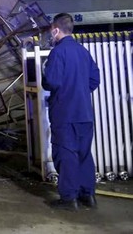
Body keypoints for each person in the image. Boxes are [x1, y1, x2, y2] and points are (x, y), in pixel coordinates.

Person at [42, 13, 100, 211]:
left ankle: (69, 199)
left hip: (64, 114)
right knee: (84, 154)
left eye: (52, 30)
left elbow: (52, 81)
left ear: (56, 29)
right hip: (84, 113)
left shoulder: (58, 53)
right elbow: (94, 80)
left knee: (65, 155)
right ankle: (88, 195)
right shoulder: (83, 51)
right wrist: (79, 90)